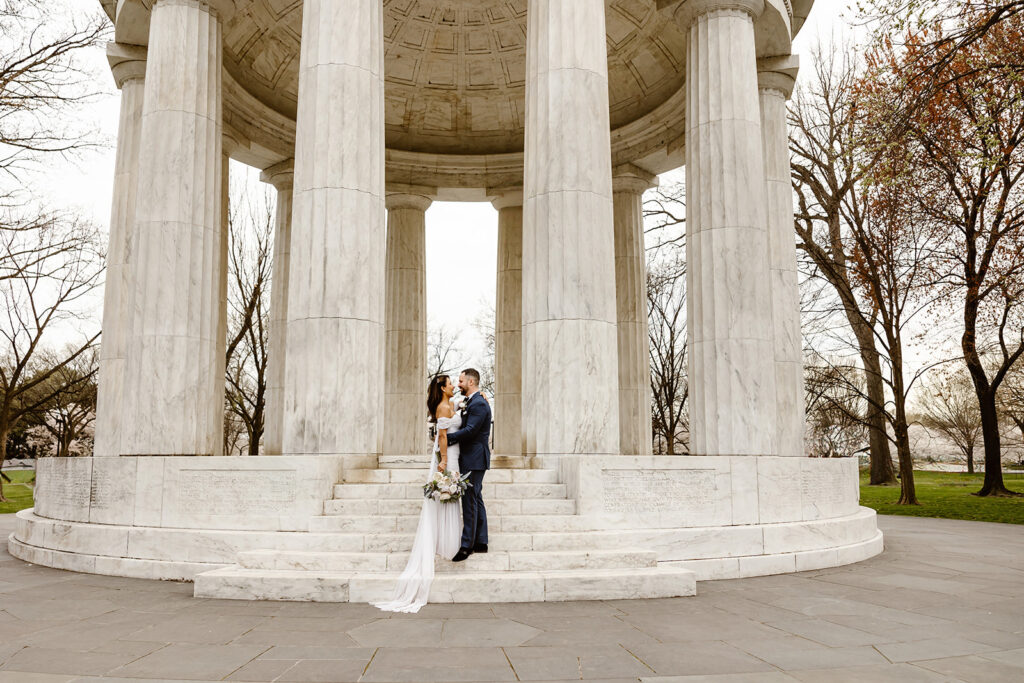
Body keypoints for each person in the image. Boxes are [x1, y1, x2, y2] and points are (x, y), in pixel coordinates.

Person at [372, 374, 463, 613]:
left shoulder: (449, 405)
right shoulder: (443, 407)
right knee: (446, 494)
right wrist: (443, 461)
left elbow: (456, 415)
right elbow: (442, 437)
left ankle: (446, 541)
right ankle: (445, 542)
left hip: (454, 455)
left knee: (448, 497)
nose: (453, 385)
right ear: (443, 389)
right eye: (450, 383)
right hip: (448, 457)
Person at [445, 368, 492, 562]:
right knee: (476, 498)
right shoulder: (473, 401)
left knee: (469, 501)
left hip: (474, 458)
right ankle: (481, 541)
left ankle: (467, 546)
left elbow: (471, 430)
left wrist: (448, 438)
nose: (458, 384)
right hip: (473, 457)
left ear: (471, 382)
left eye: (461, 381)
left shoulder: (479, 403)